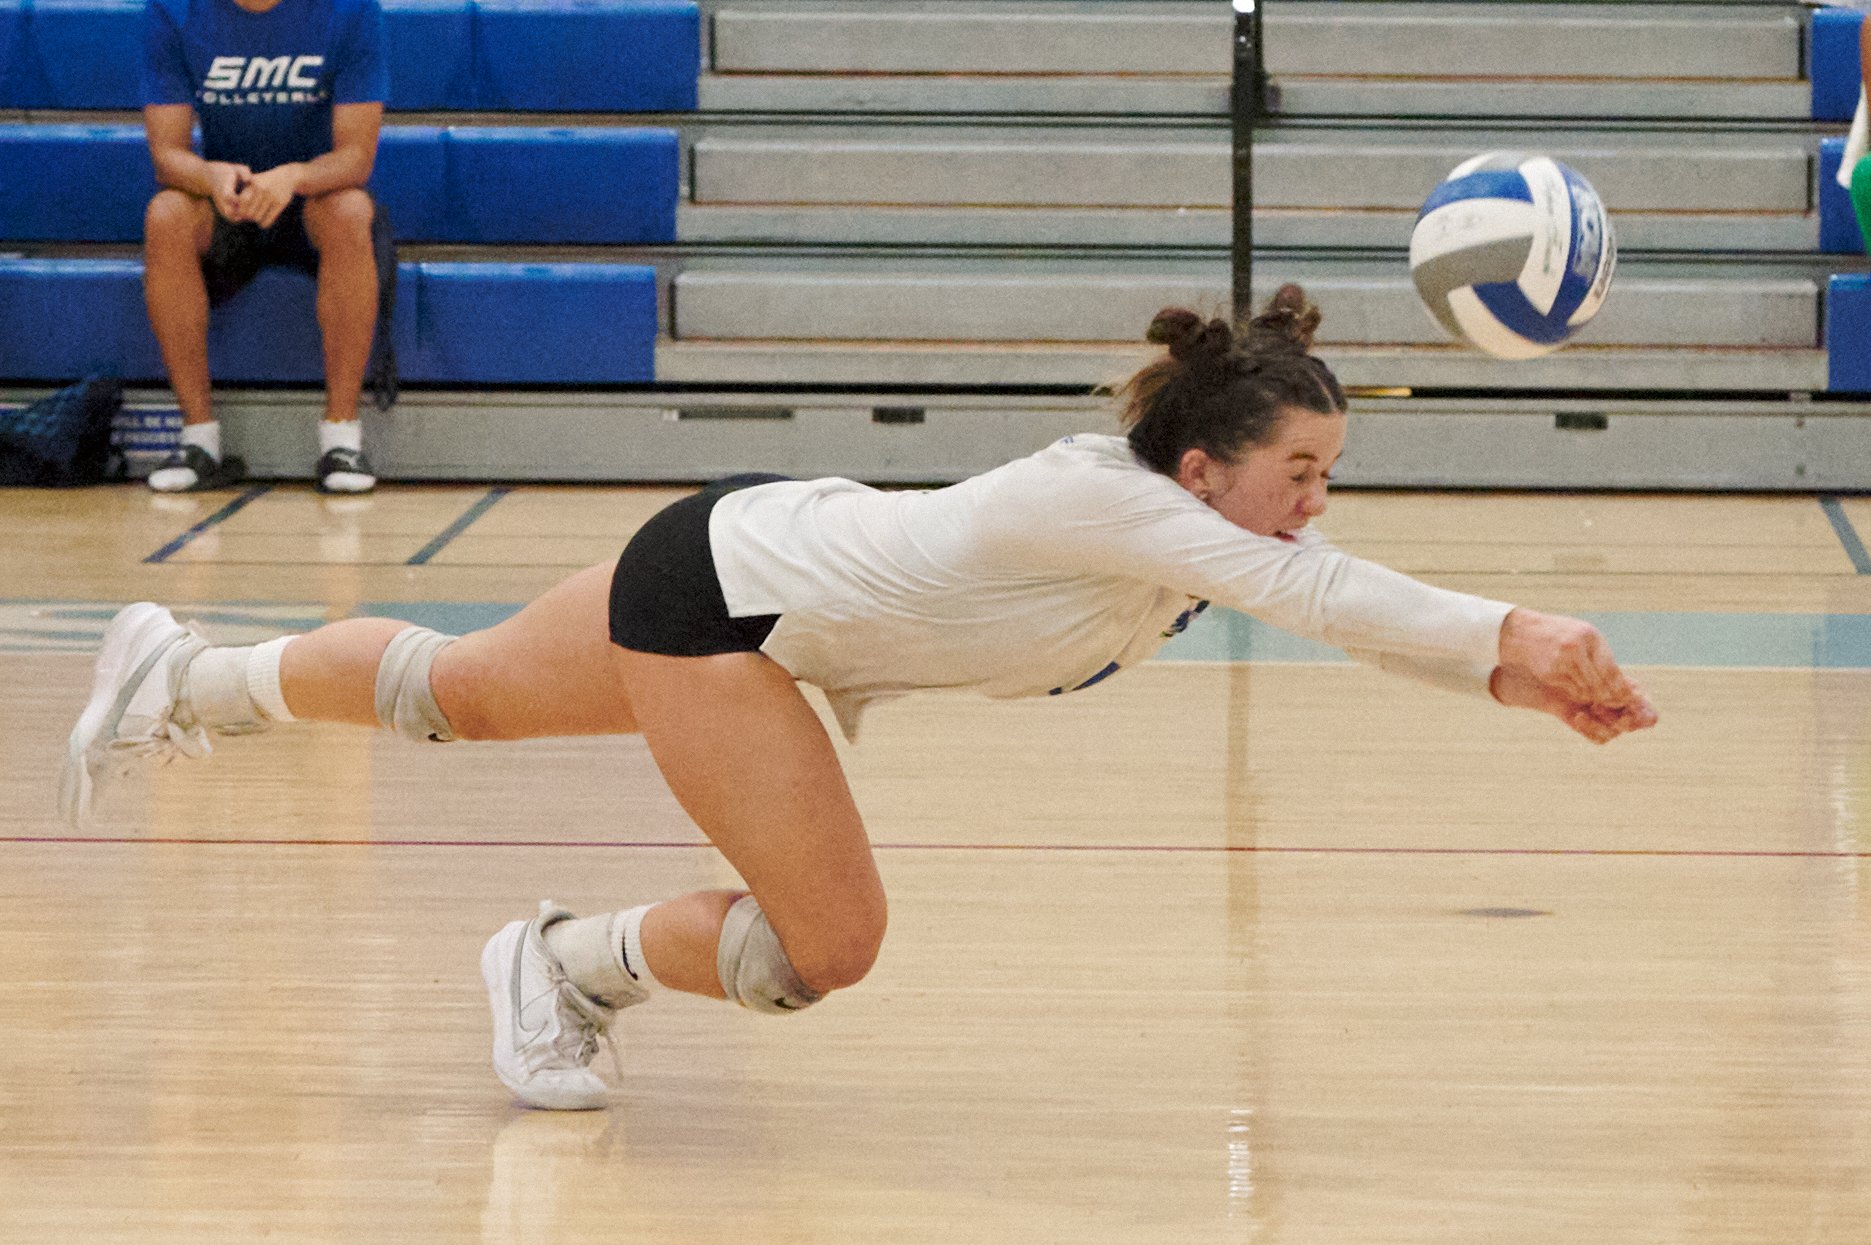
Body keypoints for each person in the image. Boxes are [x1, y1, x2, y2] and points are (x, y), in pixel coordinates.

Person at [61, 287, 1659, 1111]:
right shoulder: (1110, 504)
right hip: (725, 595)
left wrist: (1514, 675)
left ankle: (184, 672)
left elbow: (1333, 597)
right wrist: (1514, 634)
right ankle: (561, 962)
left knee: (445, 692)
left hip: (754, 551)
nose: (1315, 501)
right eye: (1297, 471)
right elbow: (1324, 597)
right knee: (827, 943)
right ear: (1198, 466)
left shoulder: (1191, 532)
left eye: (1327, 475)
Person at [140, 0, 392, 495]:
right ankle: (198, 439)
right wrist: (209, 176)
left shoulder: (352, 9)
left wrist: (294, 177)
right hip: (229, 202)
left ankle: (342, 438)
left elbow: (356, 159)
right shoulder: (173, 10)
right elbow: (167, 156)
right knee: (166, 215)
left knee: (350, 210)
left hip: (312, 199)